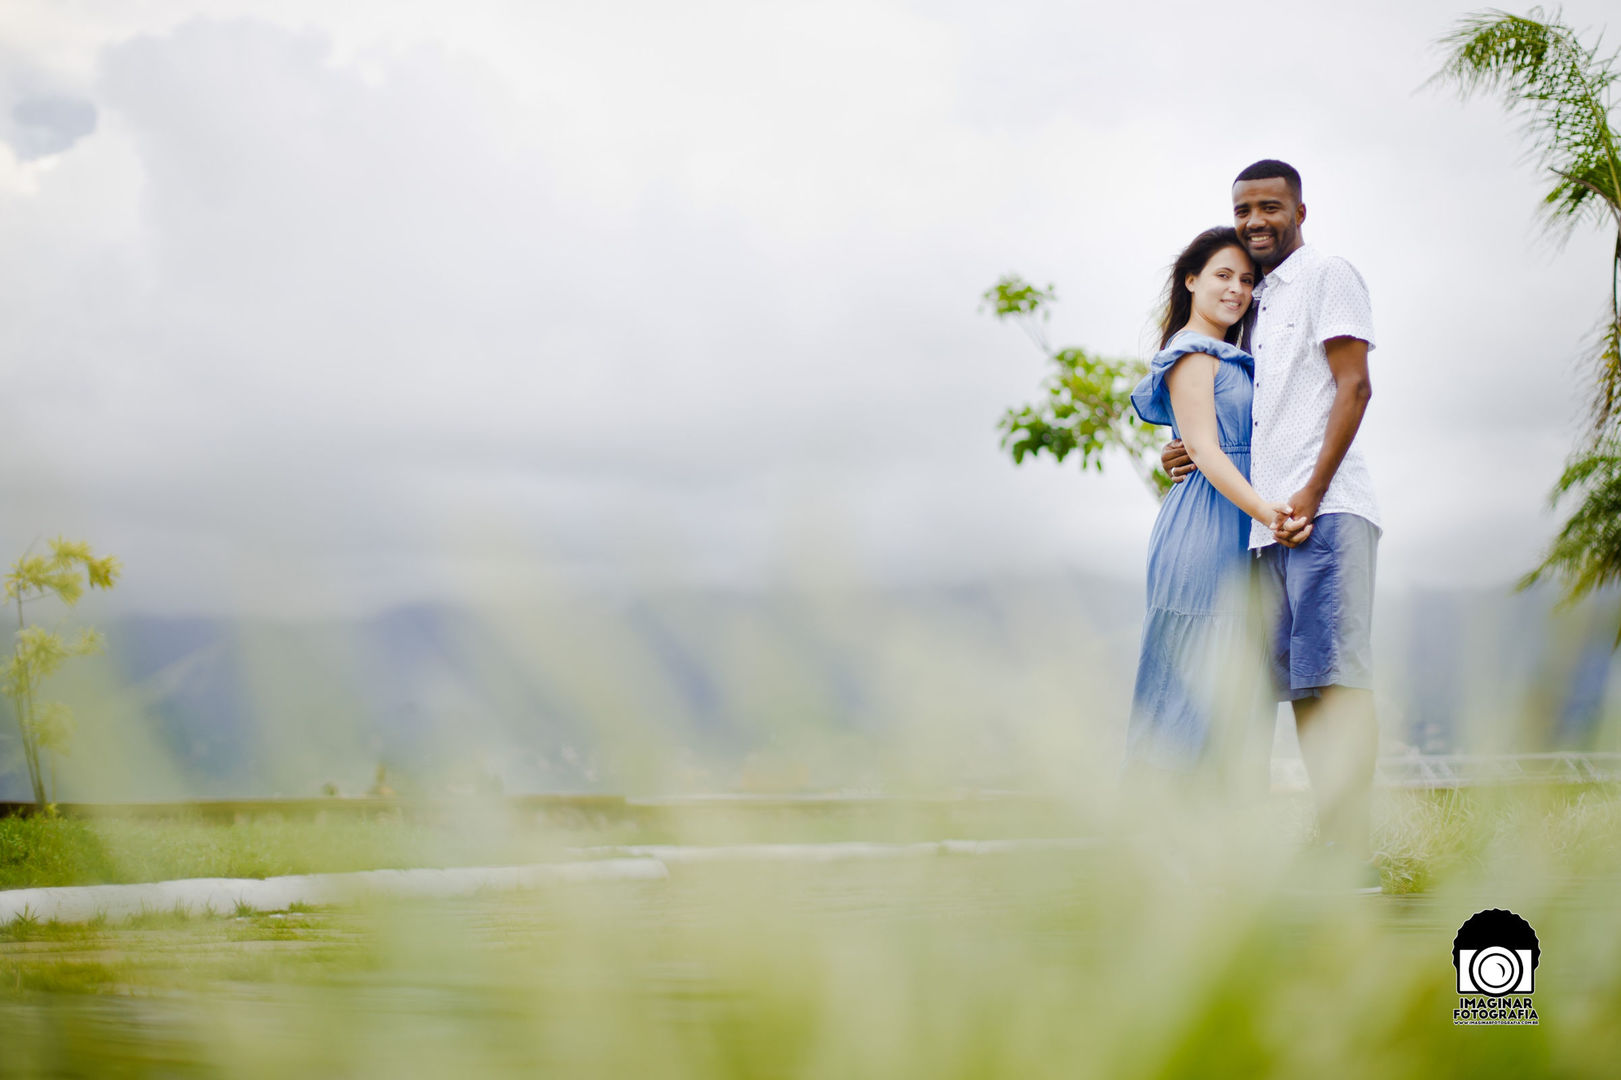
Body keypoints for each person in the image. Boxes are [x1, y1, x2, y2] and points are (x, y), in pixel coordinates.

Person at [1162, 160, 1381, 874]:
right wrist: (1187, 448)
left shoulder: (1327, 274)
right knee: (1294, 688)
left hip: (1325, 511)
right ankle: (1323, 843)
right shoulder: (1255, 302)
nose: (1255, 220)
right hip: (1267, 528)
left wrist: (1313, 493)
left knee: (1334, 680)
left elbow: (1354, 387)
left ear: (1299, 211)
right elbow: (1246, 408)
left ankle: (1348, 848)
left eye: (1269, 207)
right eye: (1243, 208)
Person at [1124, 227, 1304, 780]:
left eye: (1247, 280)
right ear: (1192, 279)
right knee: (1194, 675)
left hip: (1239, 523)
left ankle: (1225, 840)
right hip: (1206, 527)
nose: (1236, 290)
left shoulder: (1235, 354)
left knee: (1236, 680)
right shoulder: (1191, 352)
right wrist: (1269, 513)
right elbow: (1203, 446)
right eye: (1223, 275)